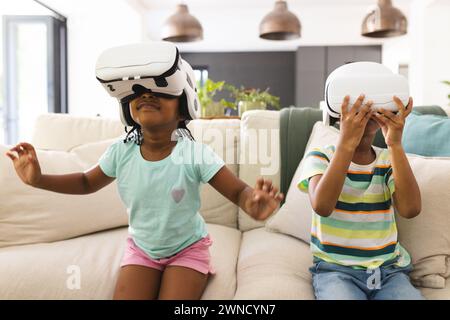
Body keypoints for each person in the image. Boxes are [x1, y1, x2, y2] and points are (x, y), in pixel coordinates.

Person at [298, 94, 424, 300]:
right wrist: (346, 144)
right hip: (336, 272)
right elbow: (322, 206)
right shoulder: (320, 156)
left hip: (389, 272)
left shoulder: (388, 159)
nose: (365, 111)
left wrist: (395, 145)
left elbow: (411, 209)